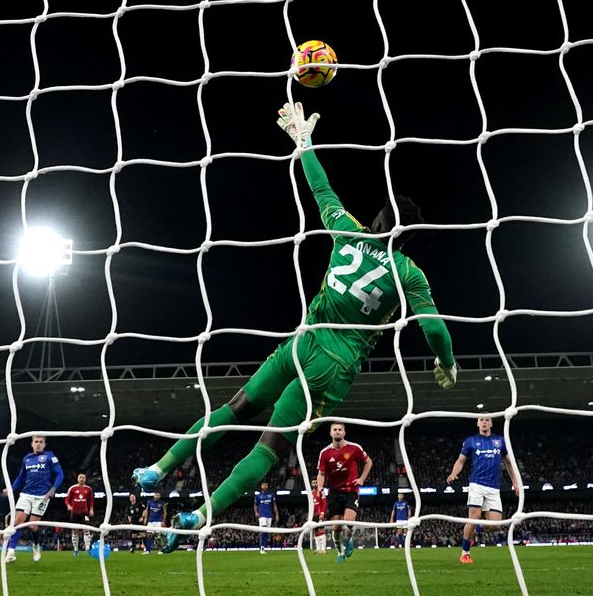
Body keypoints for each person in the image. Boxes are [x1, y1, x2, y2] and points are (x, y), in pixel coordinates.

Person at [132, 101, 457, 551]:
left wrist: (303, 142)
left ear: (378, 219)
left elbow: (321, 189)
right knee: (267, 449)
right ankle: (199, 515)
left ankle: (158, 469)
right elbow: (435, 328)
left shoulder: (348, 232)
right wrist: (447, 363)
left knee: (233, 409)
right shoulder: (408, 272)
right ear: (407, 236)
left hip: (299, 343)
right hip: (331, 366)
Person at [446, 416, 520, 564]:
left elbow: (509, 462)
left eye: (487, 420)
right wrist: (454, 473)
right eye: (482, 420)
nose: (484, 422)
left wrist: (515, 482)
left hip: (494, 487)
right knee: (473, 517)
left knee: (495, 525)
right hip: (476, 484)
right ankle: (465, 553)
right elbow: (461, 461)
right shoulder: (470, 441)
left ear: (491, 423)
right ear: (478, 423)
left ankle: (474, 529)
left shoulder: (500, 441)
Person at [2, 435, 64, 563]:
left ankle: (36, 545)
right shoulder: (27, 458)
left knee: (33, 527)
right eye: (36, 442)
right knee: (18, 522)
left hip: (42, 496)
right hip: (26, 495)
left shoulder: (50, 456)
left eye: (41, 442)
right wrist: (11, 489)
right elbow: (21, 477)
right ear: (32, 444)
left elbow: (60, 474)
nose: (38, 444)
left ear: (44, 444)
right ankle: (11, 552)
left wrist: (52, 490)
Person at [316, 423, 372, 564]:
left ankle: (349, 539)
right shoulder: (325, 452)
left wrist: (361, 479)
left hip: (351, 491)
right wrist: (320, 489)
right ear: (330, 433)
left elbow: (368, 462)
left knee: (348, 522)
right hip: (334, 493)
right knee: (337, 527)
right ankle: (340, 552)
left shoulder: (354, 448)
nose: (337, 432)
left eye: (340, 430)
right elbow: (321, 474)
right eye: (335, 430)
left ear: (344, 433)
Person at [64, 472, 95, 556]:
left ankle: (87, 549)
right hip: (74, 513)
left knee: (86, 530)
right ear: (77, 479)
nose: (82, 479)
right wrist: (68, 506)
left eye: (83, 477)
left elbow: (91, 501)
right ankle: (76, 550)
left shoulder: (88, 489)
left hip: (84, 512)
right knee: (75, 531)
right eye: (80, 477)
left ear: (85, 479)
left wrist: (91, 509)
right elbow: (67, 499)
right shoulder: (72, 488)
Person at [254, 482, 279, 554]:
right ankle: (261, 547)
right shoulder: (258, 496)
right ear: (261, 486)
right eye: (263, 485)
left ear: (267, 486)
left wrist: (277, 514)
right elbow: (255, 505)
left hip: (269, 515)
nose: (265, 486)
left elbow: (274, 505)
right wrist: (256, 512)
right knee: (263, 531)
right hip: (262, 515)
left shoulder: (271, 495)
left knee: (267, 533)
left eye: (266, 485)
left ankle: (263, 547)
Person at [310, 478, 328, 554]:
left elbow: (324, 503)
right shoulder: (311, 493)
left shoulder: (321, 491)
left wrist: (322, 513)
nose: (314, 484)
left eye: (315, 482)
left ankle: (323, 549)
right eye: (313, 483)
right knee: (316, 531)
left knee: (321, 530)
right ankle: (318, 549)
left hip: (319, 514)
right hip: (313, 515)